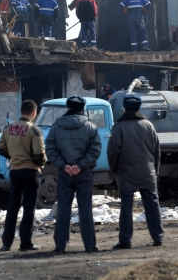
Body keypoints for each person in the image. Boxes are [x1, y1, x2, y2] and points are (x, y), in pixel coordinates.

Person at [45, 95, 102, 253]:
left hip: (64, 174)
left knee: (63, 208)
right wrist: (80, 166)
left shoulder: (56, 127)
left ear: (68, 108)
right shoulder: (90, 127)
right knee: (85, 209)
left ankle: (60, 245)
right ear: (82, 108)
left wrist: (64, 166)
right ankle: (90, 245)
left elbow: (50, 149)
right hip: (84, 174)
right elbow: (95, 149)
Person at [108, 94, 164, 249]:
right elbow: (157, 151)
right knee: (152, 205)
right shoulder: (149, 125)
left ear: (125, 108)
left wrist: (114, 170)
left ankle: (125, 240)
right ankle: (158, 237)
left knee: (126, 206)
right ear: (139, 108)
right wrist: (155, 171)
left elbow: (113, 152)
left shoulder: (119, 127)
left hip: (125, 173)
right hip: (148, 172)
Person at [0, 100, 46, 252]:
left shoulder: (8, 128)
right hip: (31, 172)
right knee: (28, 208)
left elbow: (0, 149)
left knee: (13, 207)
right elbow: (39, 154)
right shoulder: (34, 130)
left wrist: (13, 157)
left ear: (20, 110)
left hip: (15, 171)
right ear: (34, 113)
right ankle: (25, 243)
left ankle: (6, 243)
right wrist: (40, 163)